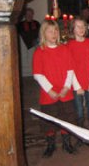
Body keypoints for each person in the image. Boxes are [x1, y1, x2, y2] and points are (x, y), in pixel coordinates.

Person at [33, 19, 77, 157]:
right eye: (50, 31)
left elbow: (70, 70)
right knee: (49, 119)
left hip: (65, 91)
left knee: (67, 117)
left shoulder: (64, 49)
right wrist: (50, 90)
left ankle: (66, 142)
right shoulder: (39, 52)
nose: (53, 34)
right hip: (49, 94)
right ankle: (50, 144)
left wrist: (66, 87)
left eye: (56, 30)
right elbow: (38, 74)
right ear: (43, 34)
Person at [67, 17, 89, 133]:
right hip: (77, 84)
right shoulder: (70, 46)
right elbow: (70, 67)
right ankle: (80, 131)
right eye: (78, 26)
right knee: (79, 109)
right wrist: (77, 86)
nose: (81, 29)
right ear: (73, 29)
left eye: (83, 26)